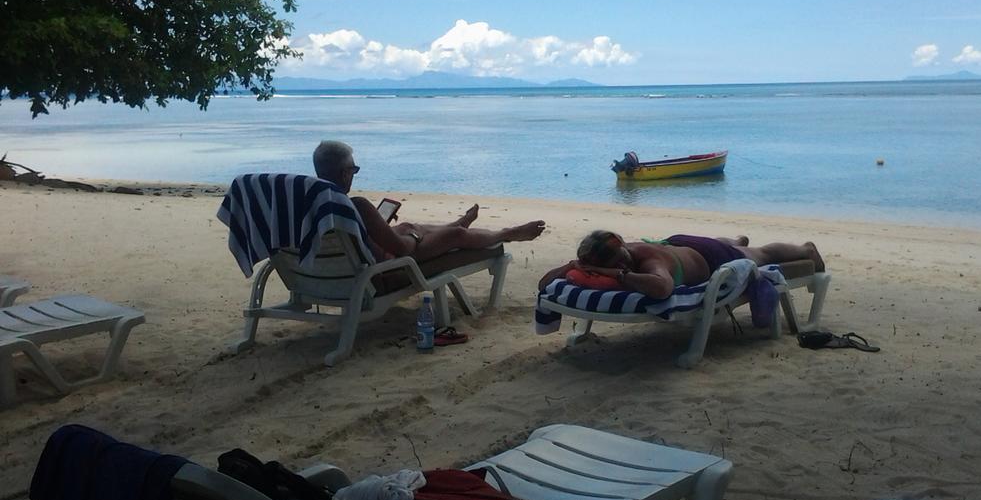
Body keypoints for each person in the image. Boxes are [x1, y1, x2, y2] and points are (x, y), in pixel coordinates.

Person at [312, 140, 546, 261]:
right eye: (354, 169)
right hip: (386, 266)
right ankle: (507, 233)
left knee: (407, 226)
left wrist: (400, 230)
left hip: (338, 268)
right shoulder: (358, 206)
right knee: (452, 237)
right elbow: (403, 250)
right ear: (345, 173)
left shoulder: (311, 204)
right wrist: (414, 236)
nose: (353, 174)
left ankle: (455, 224)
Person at [539, 230, 825, 300]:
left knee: (760, 254)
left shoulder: (648, 261)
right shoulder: (597, 260)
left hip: (708, 256)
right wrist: (566, 268)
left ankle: (805, 249)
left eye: (625, 259)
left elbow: (662, 288)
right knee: (735, 246)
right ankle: (734, 240)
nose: (626, 262)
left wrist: (617, 273)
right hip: (678, 245)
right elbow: (543, 285)